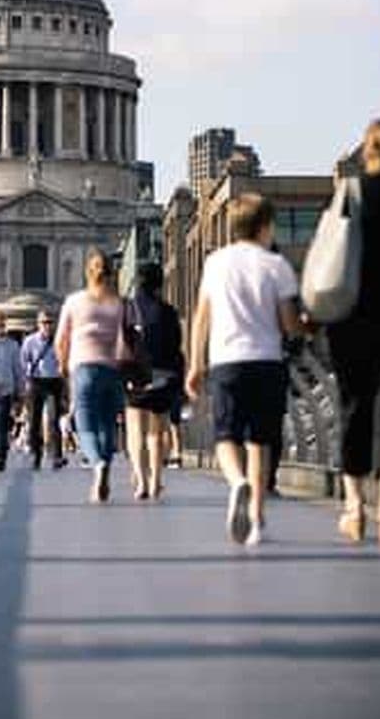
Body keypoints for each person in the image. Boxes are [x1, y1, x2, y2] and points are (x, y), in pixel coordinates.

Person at [186, 193, 301, 547]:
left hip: (226, 361)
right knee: (260, 442)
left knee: (225, 437)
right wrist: (302, 326)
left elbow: (202, 317)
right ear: (265, 227)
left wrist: (195, 362)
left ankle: (236, 483)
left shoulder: (216, 263)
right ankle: (256, 519)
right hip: (267, 361)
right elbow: (288, 323)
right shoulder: (276, 265)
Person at [325, 120, 380, 547]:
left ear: (366, 152)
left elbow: (328, 255)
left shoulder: (350, 195)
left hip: (352, 317)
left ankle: (355, 507)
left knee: (353, 409)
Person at [55, 248, 125, 503]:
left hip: (82, 366)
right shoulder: (117, 303)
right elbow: (123, 341)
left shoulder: (74, 301)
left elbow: (60, 339)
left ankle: (97, 463)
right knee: (107, 422)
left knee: (84, 423)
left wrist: (63, 365)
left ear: (87, 271)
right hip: (110, 368)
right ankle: (105, 459)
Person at [123, 262, 184, 501]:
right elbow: (176, 346)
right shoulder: (168, 311)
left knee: (136, 430)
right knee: (157, 431)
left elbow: (121, 344)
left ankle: (141, 481)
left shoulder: (127, 309)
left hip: (135, 374)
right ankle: (157, 480)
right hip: (161, 375)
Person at [20, 309, 66, 470]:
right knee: (34, 420)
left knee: (54, 419)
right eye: (44, 322)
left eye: (49, 322)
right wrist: (26, 380)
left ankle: (56, 455)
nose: (47, 326)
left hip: (53, 382)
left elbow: (63, 359)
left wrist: (63, 373)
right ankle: (36, 453)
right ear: (38, 324)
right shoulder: (29, 341)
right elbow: (23, 361)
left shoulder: (58, 340)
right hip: (36, 382)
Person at [0, 312, 23, 471]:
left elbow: (18, 369)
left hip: (5, 389)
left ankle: (0, 456)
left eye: (1, 323)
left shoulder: (13, 345)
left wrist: (20, 391)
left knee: (0, 424)